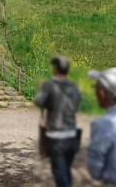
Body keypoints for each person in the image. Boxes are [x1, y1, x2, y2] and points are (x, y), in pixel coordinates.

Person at [34, 56, 80, 187]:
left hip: (56, 136)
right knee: (66, 172)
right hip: (72, 135)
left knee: (60, 176)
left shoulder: (49, 85)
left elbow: (39, 101)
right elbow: (76, 105)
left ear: (55, 68)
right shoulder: (74, 87)